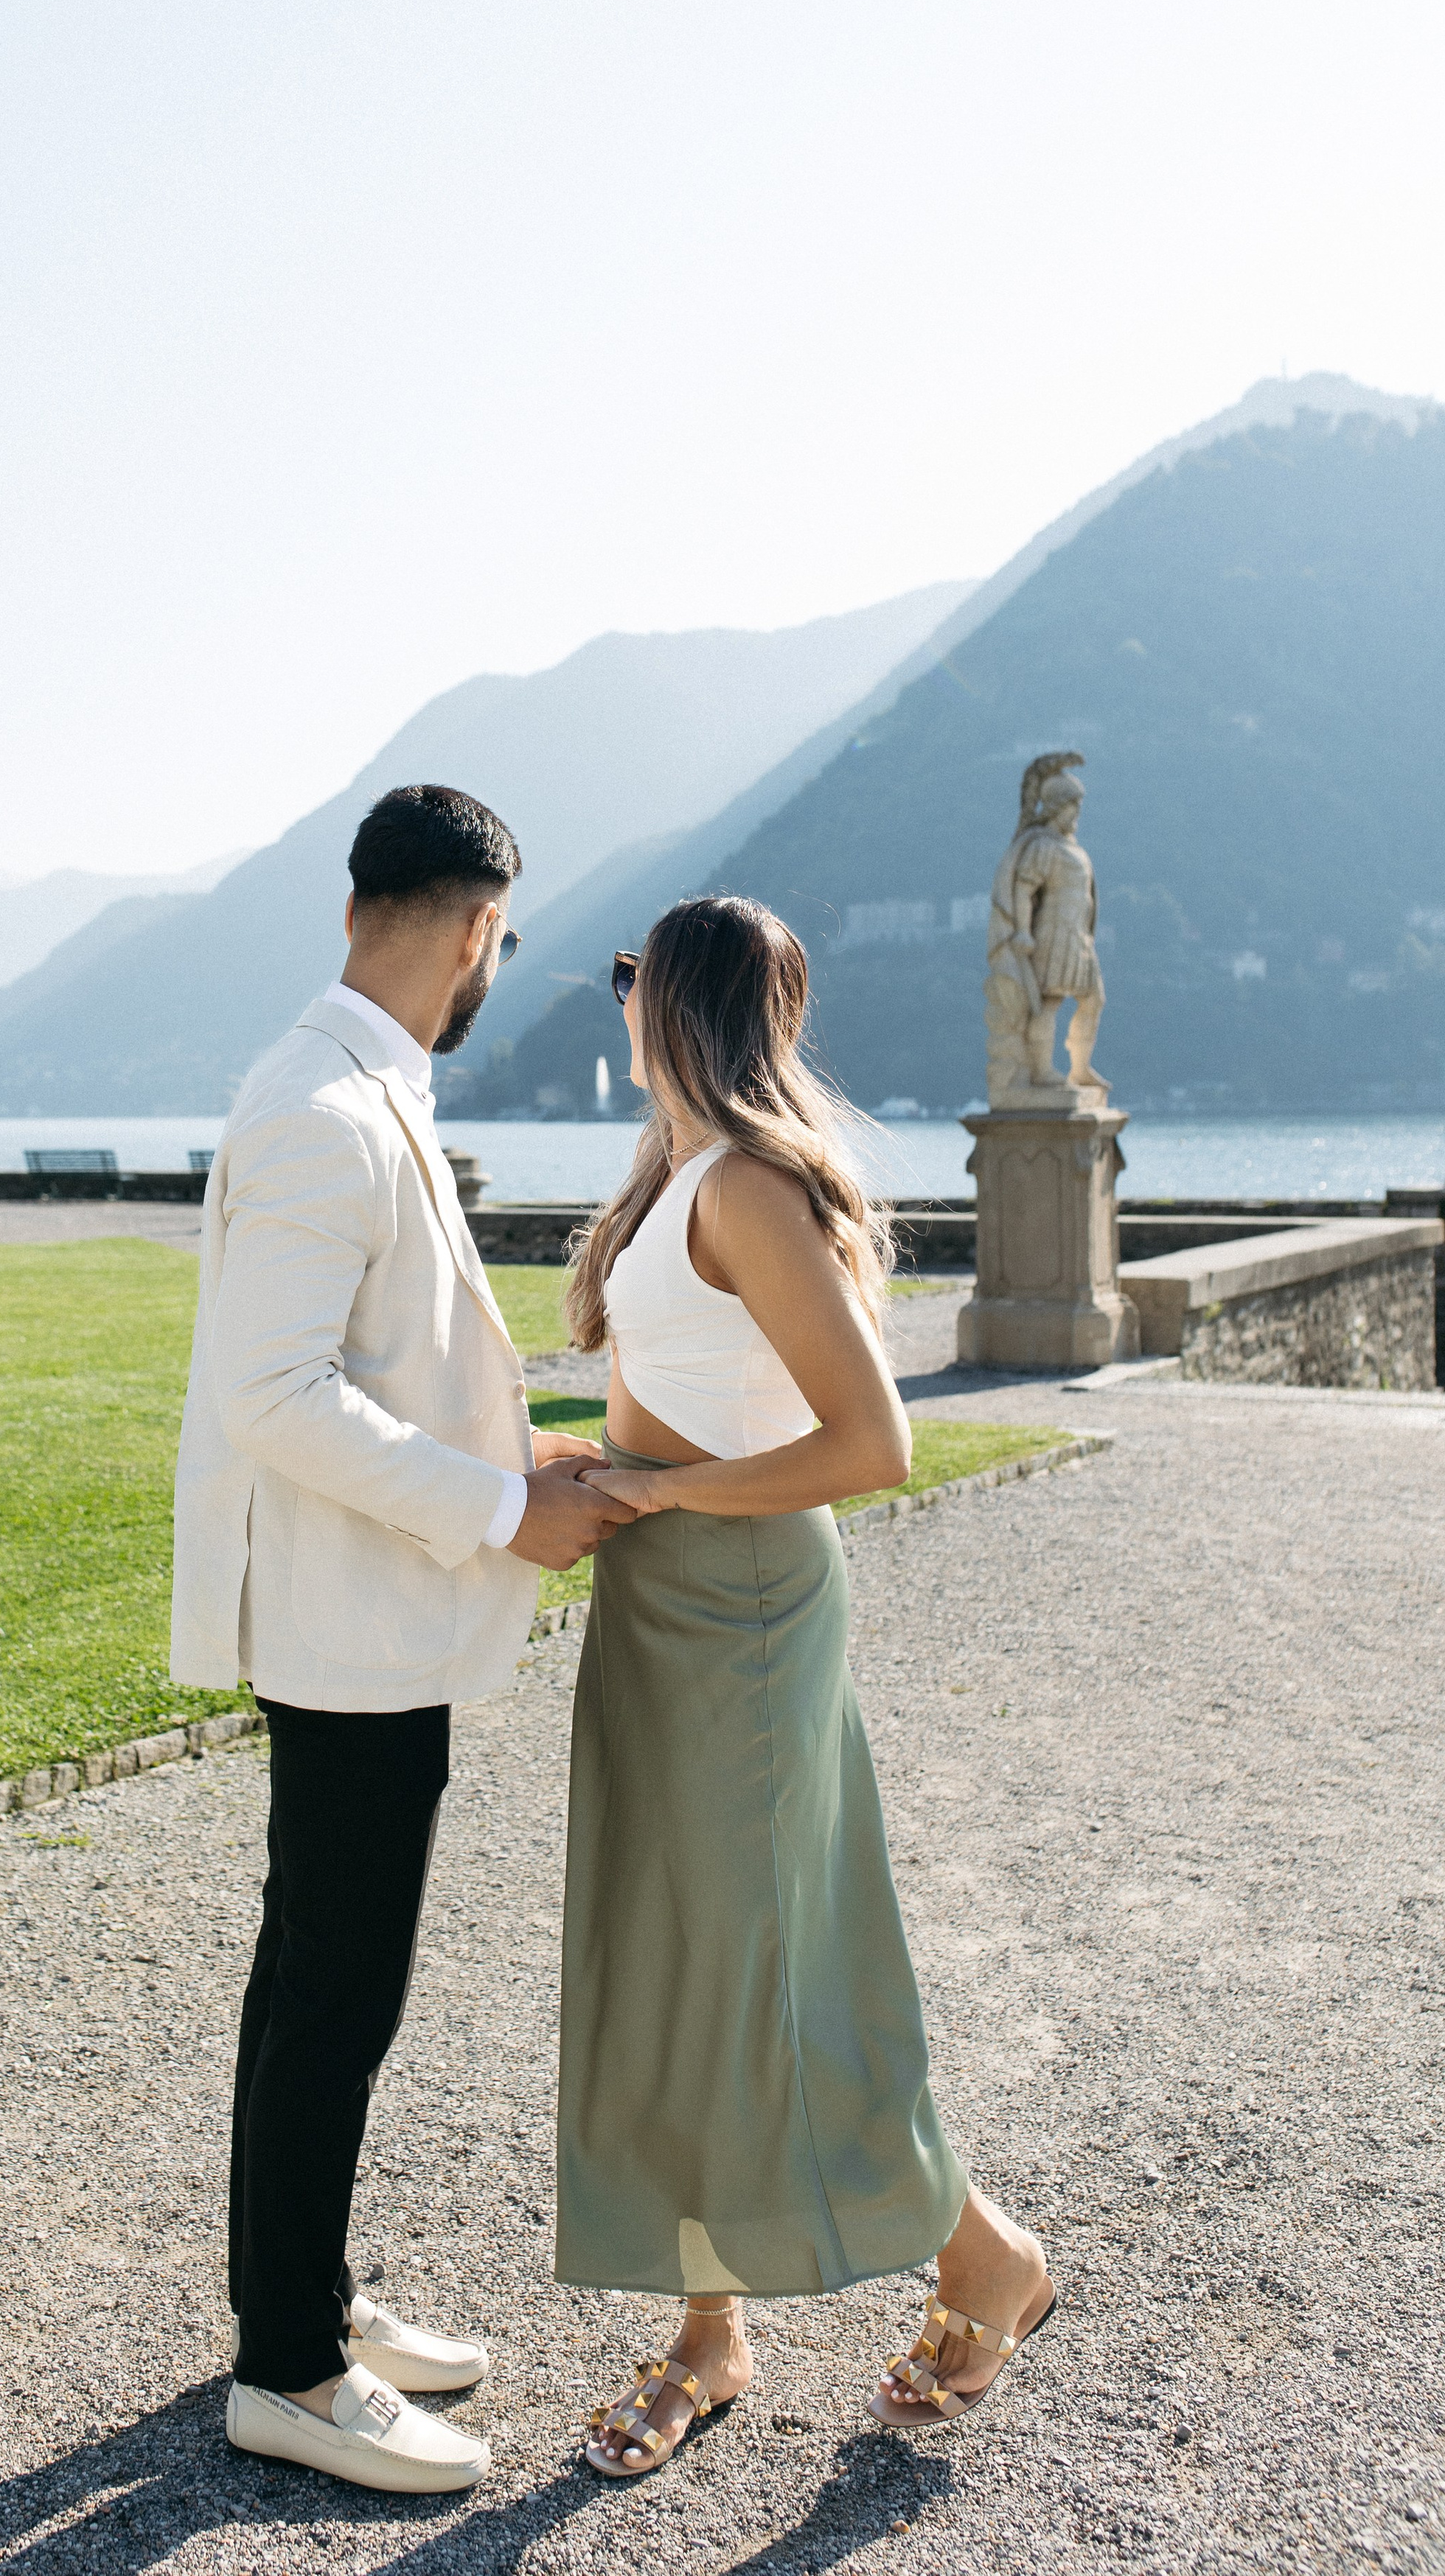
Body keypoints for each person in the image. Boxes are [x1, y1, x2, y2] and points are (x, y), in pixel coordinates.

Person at [170, 783, 633, 2496]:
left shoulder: (346, 1081)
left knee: (310, 1978)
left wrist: (523, 1462)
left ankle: (297, 2302)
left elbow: (379, 1366)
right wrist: (503, 1511)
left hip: (356, 1611)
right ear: (475, 930)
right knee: (333, 1994)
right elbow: (277, 1398)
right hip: (348, 1624)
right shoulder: (327, 1107)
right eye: (501, 943)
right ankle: (289, 2372)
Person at [557, 896, 1056, 2475]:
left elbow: (872, 1443)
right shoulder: (676, 1175)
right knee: (680, 1966)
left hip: (742, 1606)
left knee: (778, 1974)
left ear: (676, 1001)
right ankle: (710, 2333)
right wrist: (594, 1464)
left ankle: (985, 2254)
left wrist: (658, 1491)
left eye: (631, 978)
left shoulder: (750, 1188)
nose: (617, 1001)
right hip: (661, 1593)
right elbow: (681, 1396)